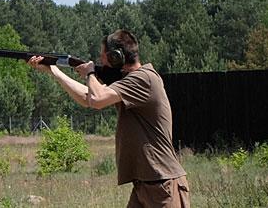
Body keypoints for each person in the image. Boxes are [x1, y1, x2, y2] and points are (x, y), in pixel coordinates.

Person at [27, 29, 190, 207]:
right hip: (146, 184)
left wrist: (90, 73)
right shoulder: (129, 81)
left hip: (163, 184)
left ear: (115, 57)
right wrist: (54, 72)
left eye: (103, 56)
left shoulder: (144, 78)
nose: (100, 61)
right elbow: (87, 98)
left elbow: (97, 99)